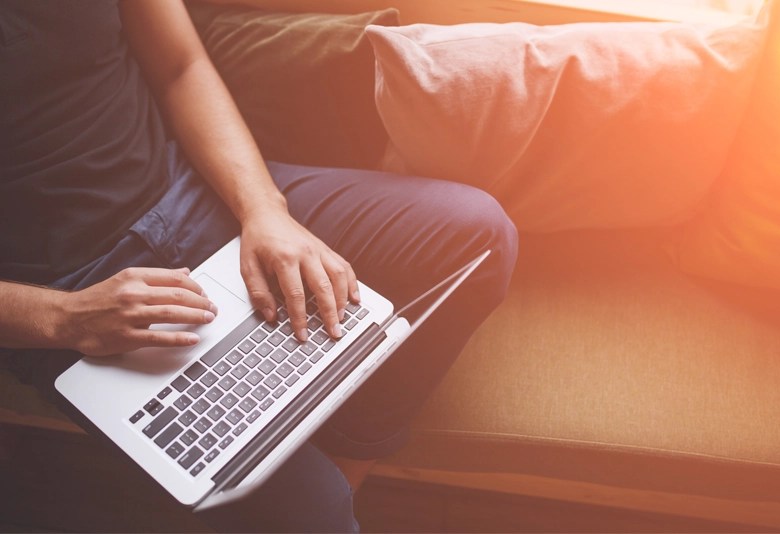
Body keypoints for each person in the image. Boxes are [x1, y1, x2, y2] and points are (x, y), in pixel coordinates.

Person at [0, 0, 518, 531]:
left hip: (191, 188)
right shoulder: (65, 309)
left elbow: (182, 66)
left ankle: (345, 461)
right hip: (70, 288)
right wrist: (64, 317)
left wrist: (263, 209)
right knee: (312, 511)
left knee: (478, 234)